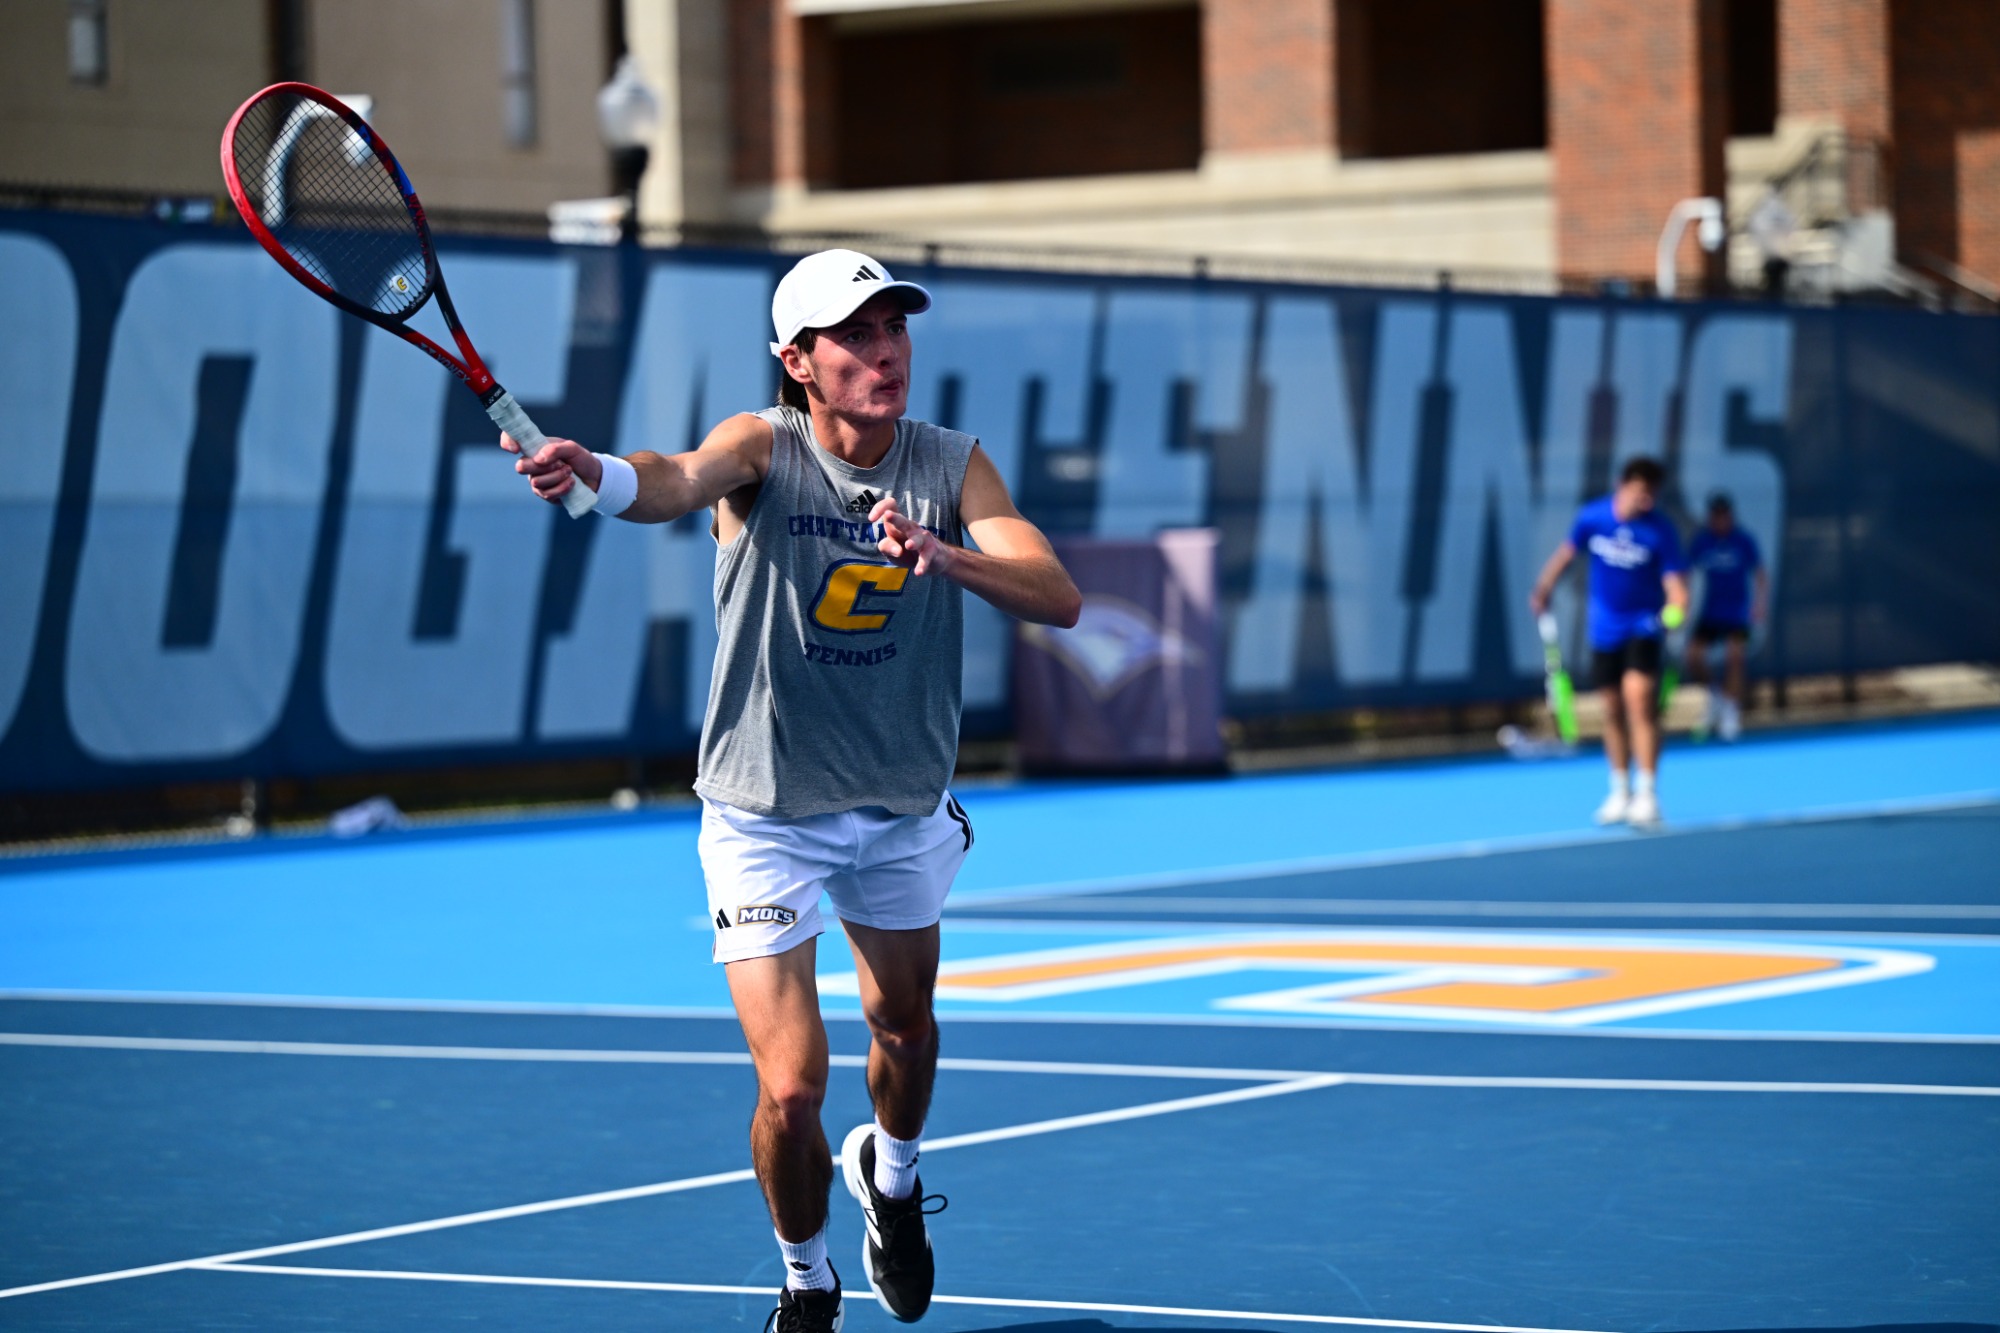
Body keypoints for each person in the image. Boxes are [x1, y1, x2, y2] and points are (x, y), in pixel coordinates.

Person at [507, 249, 1082, 1331]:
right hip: (763, 815)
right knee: (791, 1086)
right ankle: (805, 1282)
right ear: (797, 361)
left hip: (900, 801)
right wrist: (596, 474)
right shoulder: (760, 447)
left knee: (901, 1028)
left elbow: (1056, 594)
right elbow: (670, 478)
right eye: (853, 336)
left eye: (892, 330)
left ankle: (896, 1184)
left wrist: (945, 554)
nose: (883, 352)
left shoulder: (950, 464)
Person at [1529, 457, 1690, 827]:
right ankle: (1620, 790)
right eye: (1641, 492)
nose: (1647, 500)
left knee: (1640, 702)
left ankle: (1647, 793)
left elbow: (1676, 586)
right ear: (1623, 485)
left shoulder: (1660, 530)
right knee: (1612, 710)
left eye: (1653, 493)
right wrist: (1543, 589)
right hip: (1603, 631)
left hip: (1643, 628)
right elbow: (1566, 554)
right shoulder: (1593, 518)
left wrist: (1676, 608)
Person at [1685, 492, 1767, 742]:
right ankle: (1716, 697)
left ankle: (1731, 712)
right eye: (1716, 516)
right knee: (1694, 656)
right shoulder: (1702, 541)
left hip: (1737, 614)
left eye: (1724, 515)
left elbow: (1760, 573)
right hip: (1710, 613)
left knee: (1735, 655)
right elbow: (1685, 573)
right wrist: (1682, 602)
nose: (1720, 520)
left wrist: (1759, 604)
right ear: (1711, 518)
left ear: (1731, 516)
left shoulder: (1744, 541)